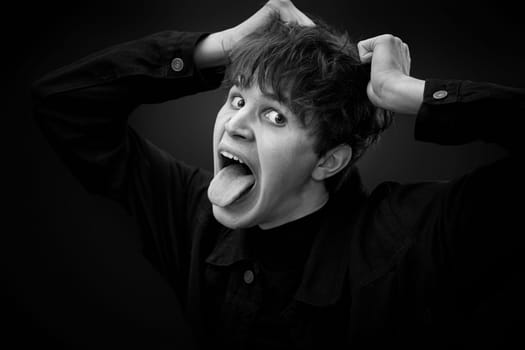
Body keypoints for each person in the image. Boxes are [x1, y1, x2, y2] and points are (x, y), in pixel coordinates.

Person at [31, 0, 523, 348]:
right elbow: (62, 104)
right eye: (237, 98)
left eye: (275, 116)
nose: (236, 124)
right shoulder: (192, 213)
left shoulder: (414, 238)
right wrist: (221, 46)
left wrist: (407, 91)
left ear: (329, 159)